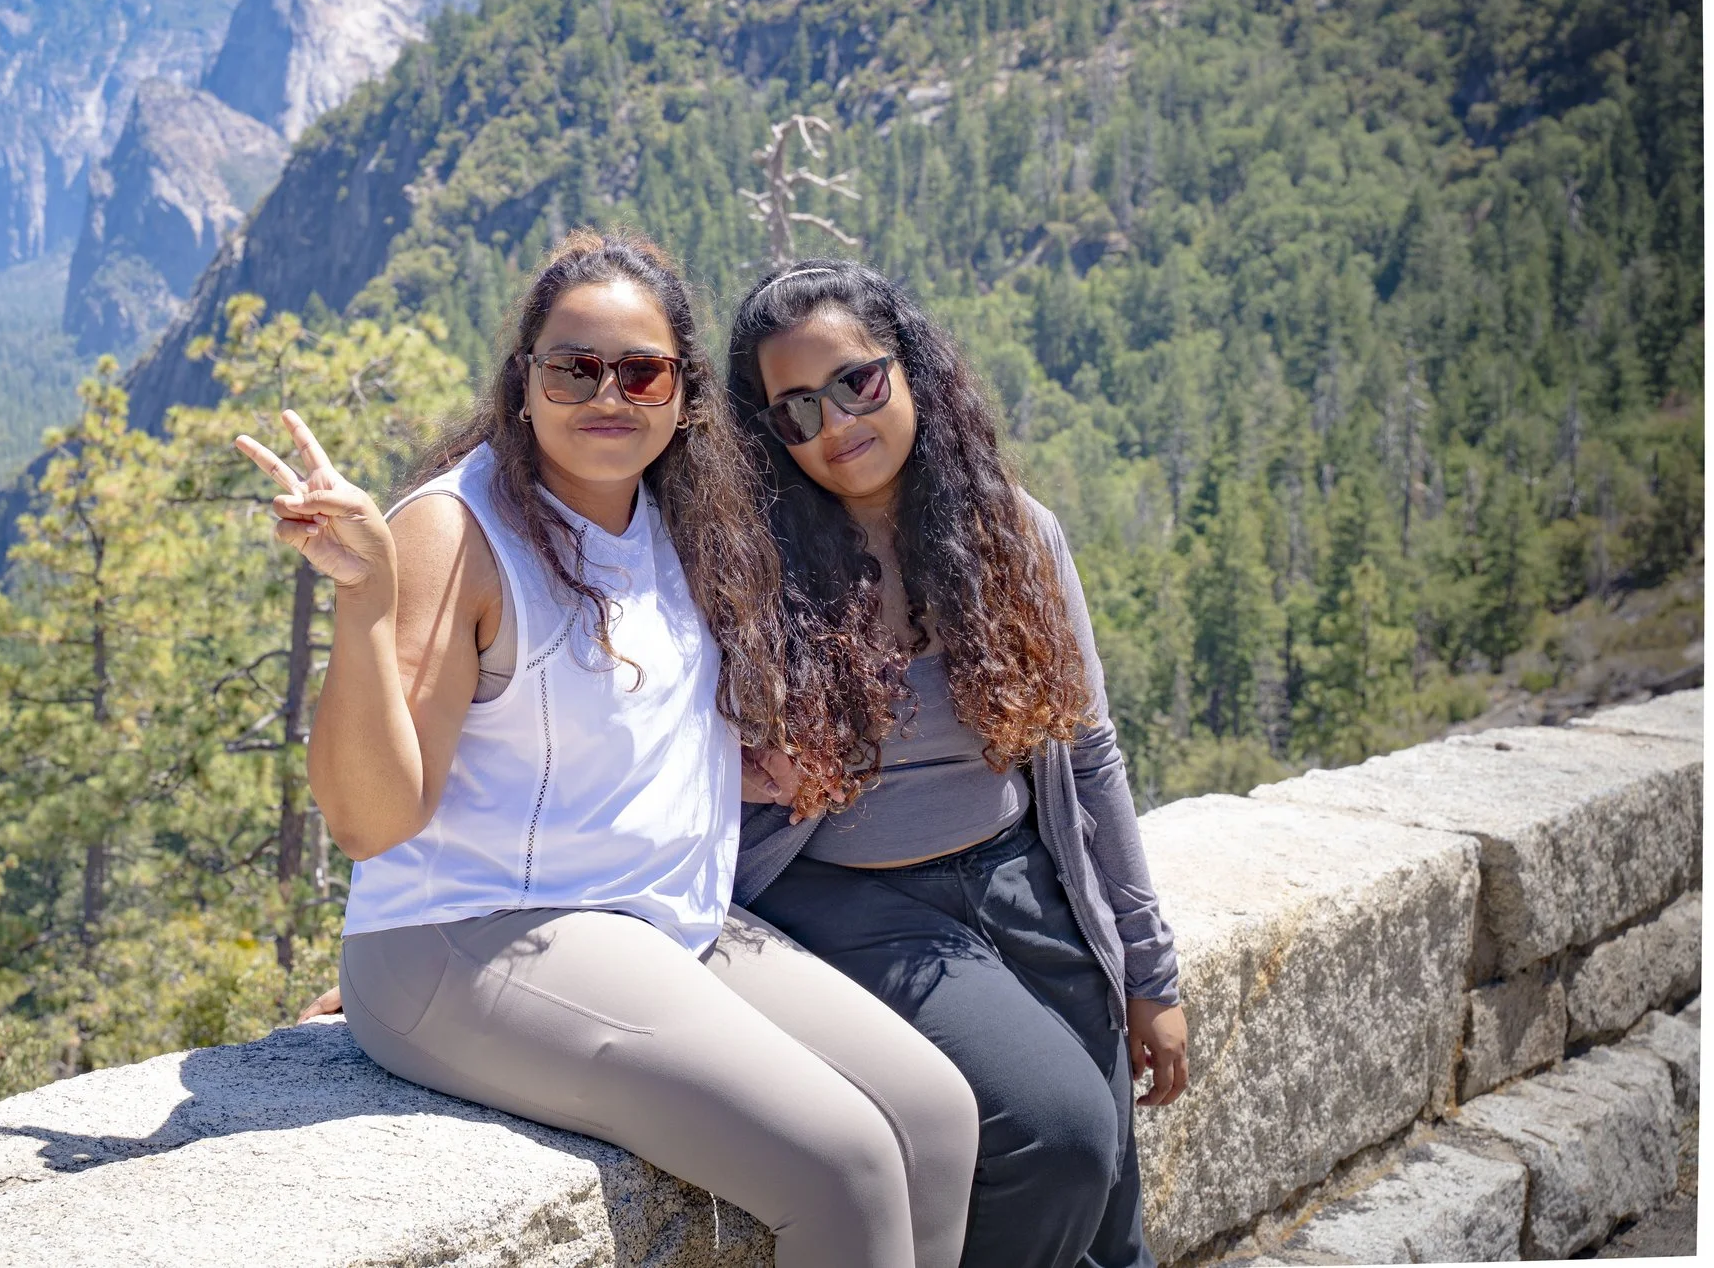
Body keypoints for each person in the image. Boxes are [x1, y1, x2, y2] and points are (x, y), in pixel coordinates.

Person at [234, 231, 977, 1268]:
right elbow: (373, 819)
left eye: (641, 370)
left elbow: (626, 722)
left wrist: (747, 767)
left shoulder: (673, 515)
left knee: (936, 1118)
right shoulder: (458, 534)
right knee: (843, 1160)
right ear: (522, 383)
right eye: (573, 366)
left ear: (681, 395)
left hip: (659, 921)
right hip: (481, 934)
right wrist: (364, 602)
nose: (608, 394)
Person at [722, 259, 1187, 1268]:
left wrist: (1149, 973)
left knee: (1113, 1225)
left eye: (855, 383)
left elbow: (1087, 757)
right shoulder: (748, 571)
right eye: (792, 411)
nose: (834, 425)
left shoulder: (1011, 533)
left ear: (910, 370)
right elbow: (621, 746)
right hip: (848, 899)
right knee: (1061, 1140)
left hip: (1018, 875)